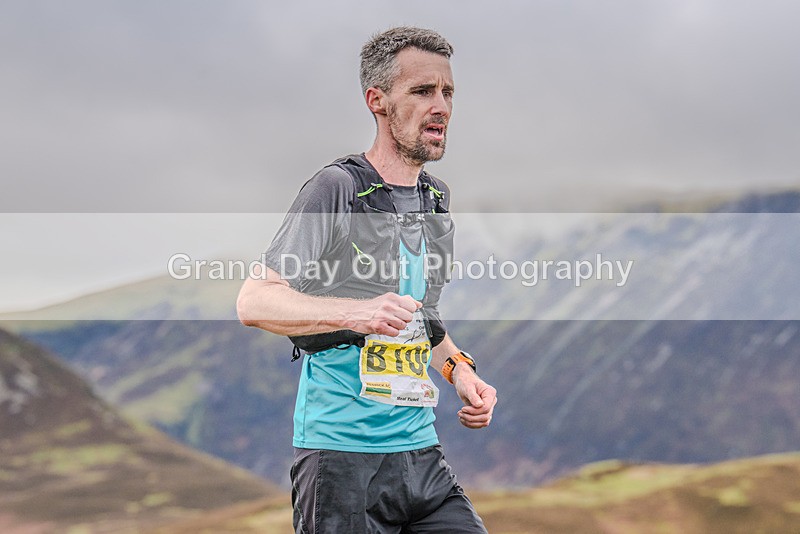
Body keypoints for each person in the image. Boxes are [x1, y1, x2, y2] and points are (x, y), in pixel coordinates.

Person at [237, 26, 497, 533]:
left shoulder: (436, 199)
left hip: (422, 455)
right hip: (340, 460)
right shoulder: (337, 188)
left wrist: (462, 372)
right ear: (377, 101)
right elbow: (254, 301)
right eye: (422, 91)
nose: (441, 106)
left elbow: (423, 319)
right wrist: (356, 312)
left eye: (448, 92)